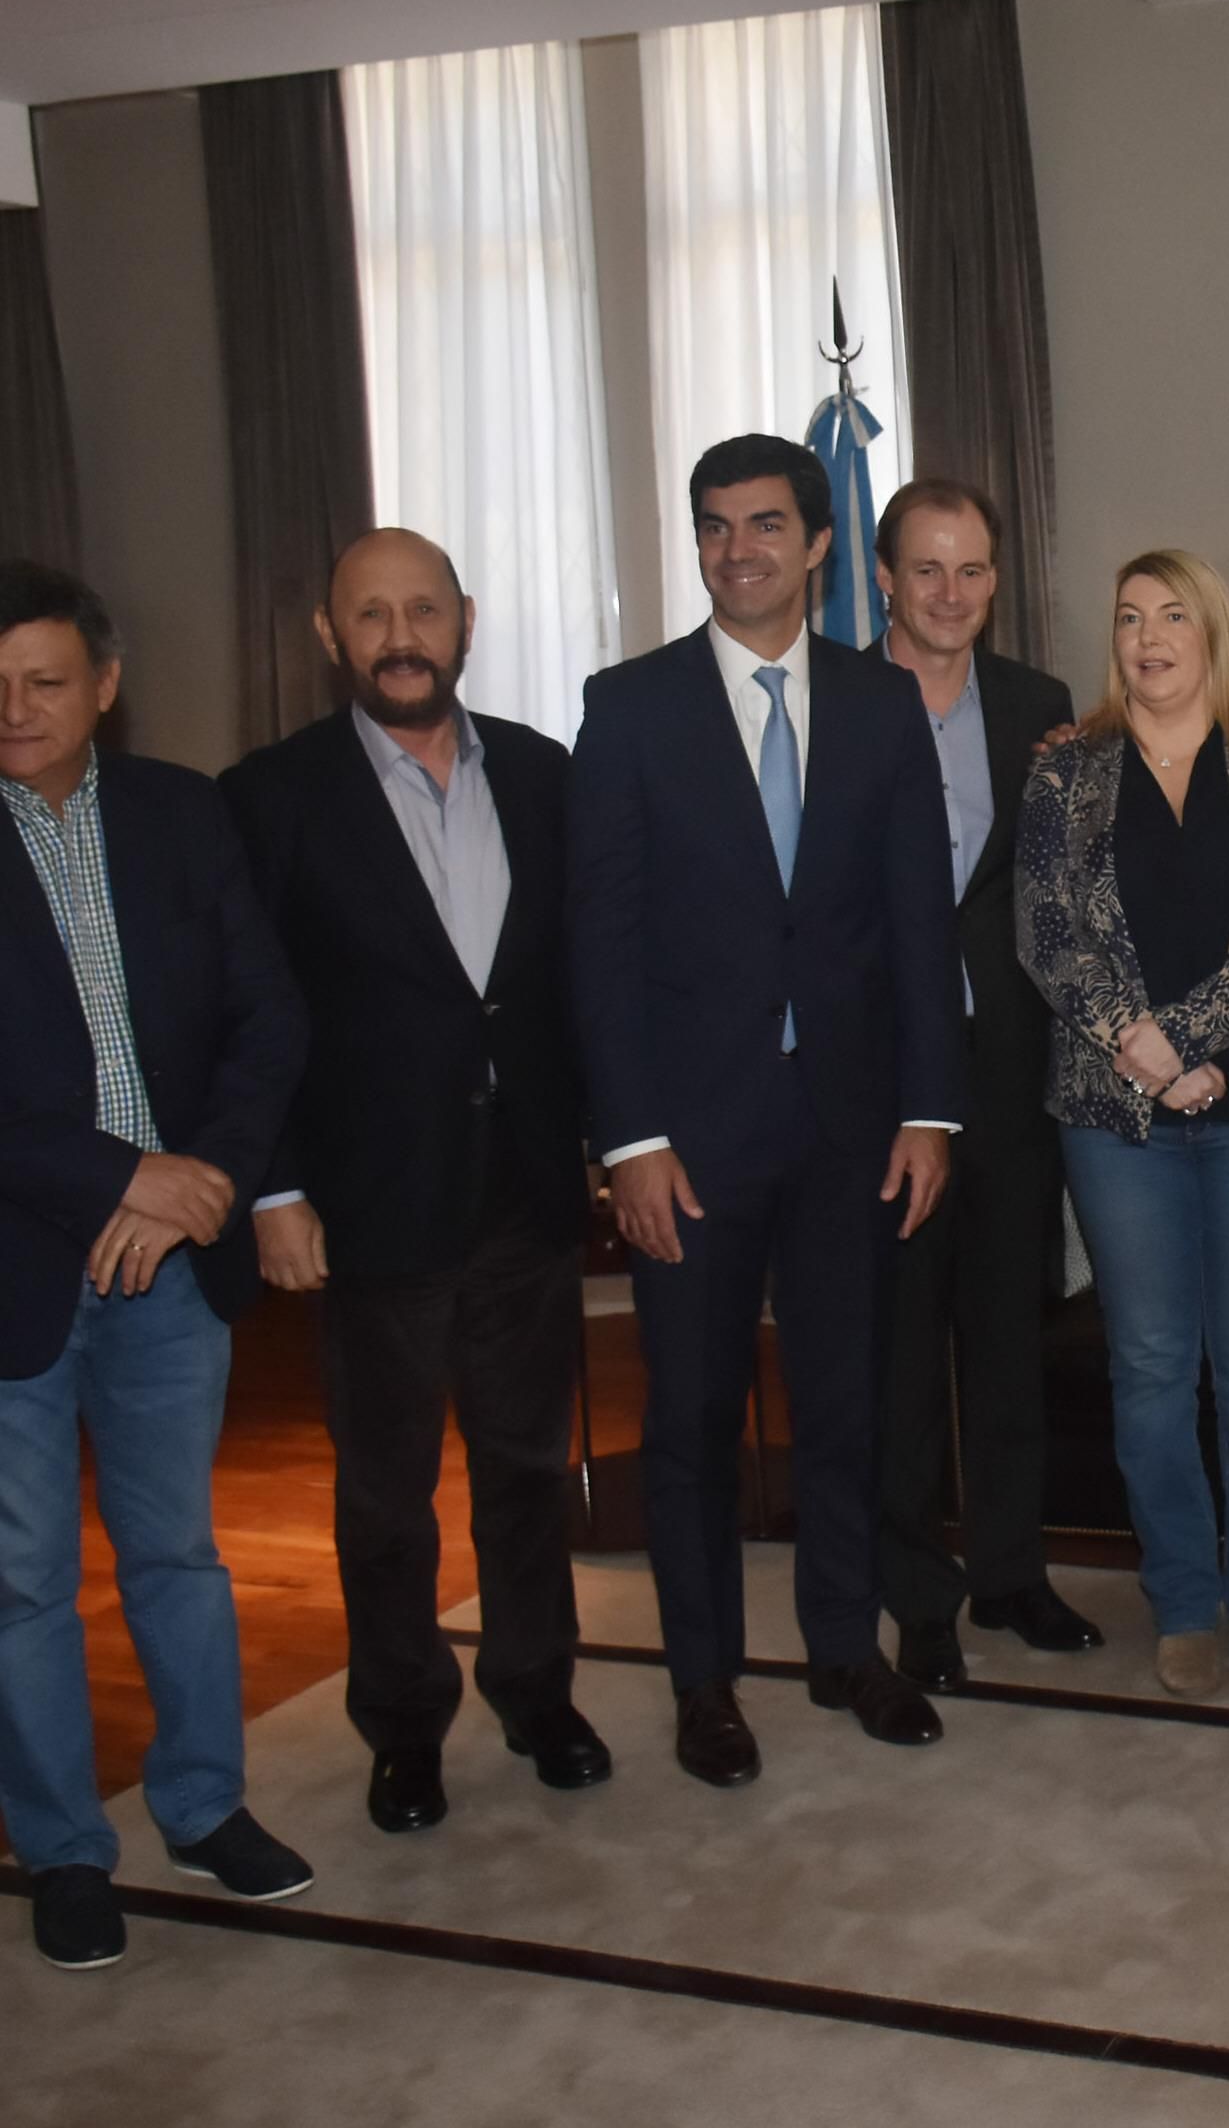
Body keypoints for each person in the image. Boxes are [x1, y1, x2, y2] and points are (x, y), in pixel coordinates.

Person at [568, 434, 964, 1785]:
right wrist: (628, 1139)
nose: (737, 550)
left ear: (818, 546)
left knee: (846, 1403)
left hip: (853, 1130)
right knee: (689, 1418)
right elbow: (600, 943)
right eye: (714, 526)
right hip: (688, 1143)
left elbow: (918, 922)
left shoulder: (880, 703)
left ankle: (845, 1649)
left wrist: (931, 1110)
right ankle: (704, 1683)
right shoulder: (630, 708)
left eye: (764, 525)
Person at [222, 528, 607, 1838]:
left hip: (526, 1189)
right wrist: (272, 1189)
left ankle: (538, 1694)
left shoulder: (545, 775)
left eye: (423, 610)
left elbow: (576, 978)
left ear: (465, 621)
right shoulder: (271, 796)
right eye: (372, 614)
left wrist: (607, 1141)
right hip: (371, 1199)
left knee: (527, 1468)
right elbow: (248, 1009)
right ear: (329, 635)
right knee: (387, 1495)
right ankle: (402, 1728)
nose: (401, 637)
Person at [0, 561, 313, 1970]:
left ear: (106, 686)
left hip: (171, 1264)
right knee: (22, 1583)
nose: (17, 708)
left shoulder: (183, 813)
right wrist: (122, 1176)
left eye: (46, 681)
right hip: (20, 1265)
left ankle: (202, 1804)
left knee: (176, 1551)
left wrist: (204, 1181)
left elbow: (269, 1017)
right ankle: (65, 1849)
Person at [1019, 550, 1229, 1700]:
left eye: (1171, 615)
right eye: (1128, 617)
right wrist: (1143, 1049)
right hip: (1118, 1117)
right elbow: (1047, 935)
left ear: (1212, 630)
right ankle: (1179, 1596)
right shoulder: (1067, 772)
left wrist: (1190, 1037)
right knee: (1151, 1365)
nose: (1148, 637)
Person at [863, 478, 1099, 1687]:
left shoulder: (1037, 705)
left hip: (1009, 1071)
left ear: (995, 581)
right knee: (902, 1359)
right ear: (884, 579)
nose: (949, 593)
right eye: (927, 569)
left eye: (970, 571)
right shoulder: (836, 703)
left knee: (1009, 1341)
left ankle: (1012, 1575)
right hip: (882, 1080)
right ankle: (919, 1598)